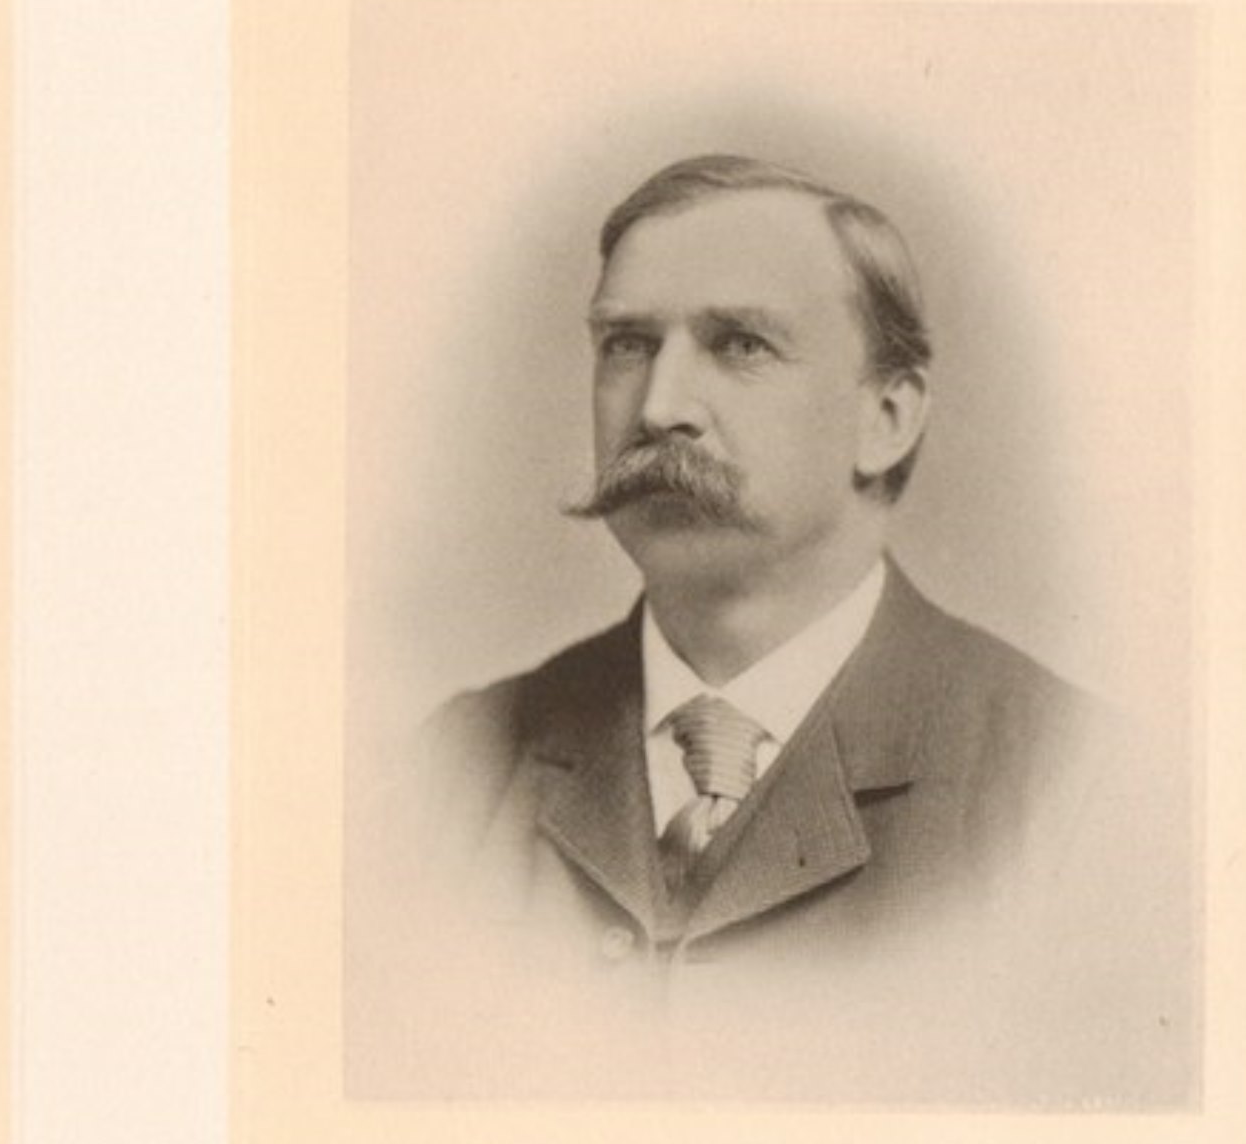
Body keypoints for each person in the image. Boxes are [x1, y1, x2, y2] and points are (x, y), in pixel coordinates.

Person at [350, 154, 1191, 1102]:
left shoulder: (1083, 796)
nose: (660, 408)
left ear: (886, 418)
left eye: (741, 345)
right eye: (627, 345)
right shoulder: (449, 771)